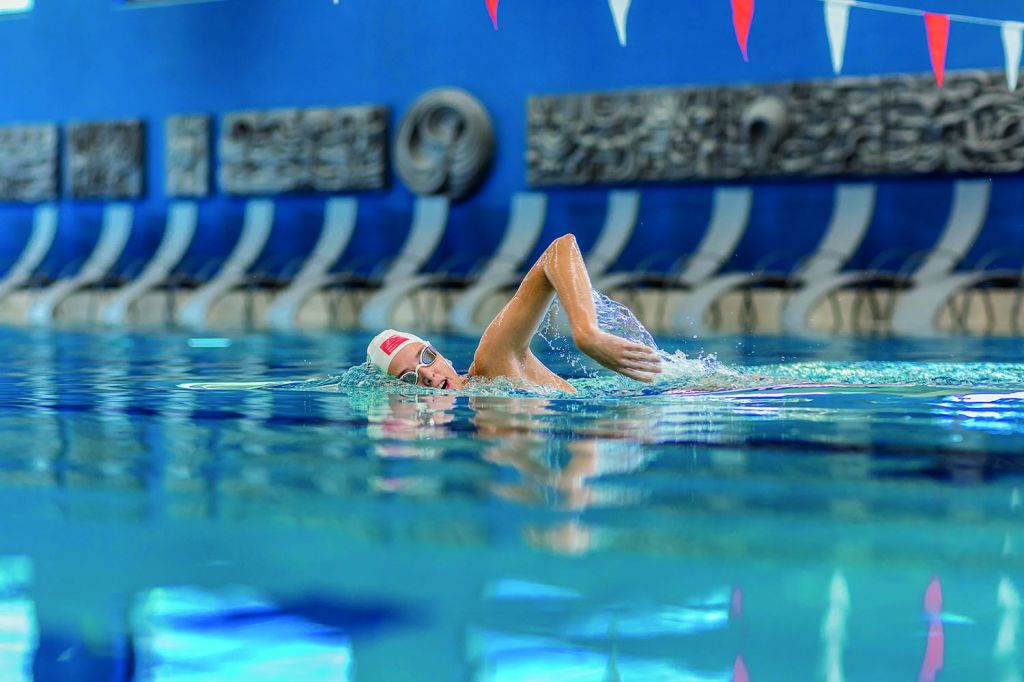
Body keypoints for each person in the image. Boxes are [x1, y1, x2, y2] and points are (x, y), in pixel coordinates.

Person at [366, 234, 662, 392]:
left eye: (427, 357)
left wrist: (587, 335)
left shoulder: (493, 363)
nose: (428, 376)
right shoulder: (481, 413)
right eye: (409, 378)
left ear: (443, 356)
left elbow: (561, 249)